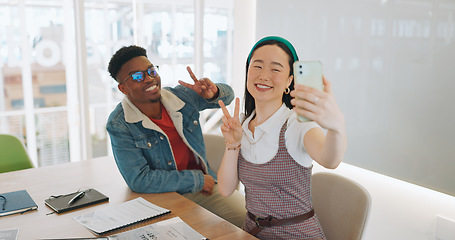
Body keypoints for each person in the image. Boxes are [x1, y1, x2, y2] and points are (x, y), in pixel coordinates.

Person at [217, 36, 347, 239]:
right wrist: (232, 144)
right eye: (257, 66)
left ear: (289, 81)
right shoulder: (241, 124)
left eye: (275, 69)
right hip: (252, 233)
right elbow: (225, 189)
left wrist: (336, 128)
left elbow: (330, 159)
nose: (264, 75)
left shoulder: (297, 124)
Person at [106, 45, 246, 227]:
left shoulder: (181, 97)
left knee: (248, 219)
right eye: (138, 76)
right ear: (123, 88)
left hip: (203, 188)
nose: (149, 79)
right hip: (159, 196)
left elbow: (227, 97)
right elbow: (139, 180)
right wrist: (195, 180)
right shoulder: (119, 124)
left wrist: (214, 92)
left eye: (151, 71)